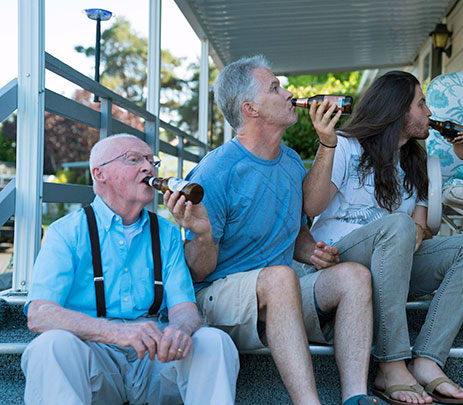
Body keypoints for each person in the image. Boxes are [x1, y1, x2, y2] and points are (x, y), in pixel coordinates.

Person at [164, 55, 379, 405]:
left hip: (278, 296)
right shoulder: (216, 172)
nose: (289, 93)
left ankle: (355, 396)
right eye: (276, 88)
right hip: (218, 299)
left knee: (354, 276)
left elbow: (301, 219)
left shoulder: (291, 160)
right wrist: (203, 237)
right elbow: (197, 270)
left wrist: (311, 249)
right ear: (251, 109)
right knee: (279, 278)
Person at [303, 70, 463, 404]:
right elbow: (311, 205)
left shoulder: (415, 162)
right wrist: (325, 143)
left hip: (392, 262)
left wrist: (416, 231)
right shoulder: (346, 146)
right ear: (398, 110)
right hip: (338, 261)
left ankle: (427, 360)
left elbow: (422, 227)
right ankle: (391, 363)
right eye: (422, 104)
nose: (430, 113)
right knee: (398, 224)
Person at [21, 134, 239, 405]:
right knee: (50, 347)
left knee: (213, 341)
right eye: (134, 159)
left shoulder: (168, 233)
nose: (149, 168)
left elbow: (184, 308)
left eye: (151, 160)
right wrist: (115, 332)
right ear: (100, 174)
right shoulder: (65, 232)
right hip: (94, 358)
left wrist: (179, 330)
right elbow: (39, 314)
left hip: (155, 359)